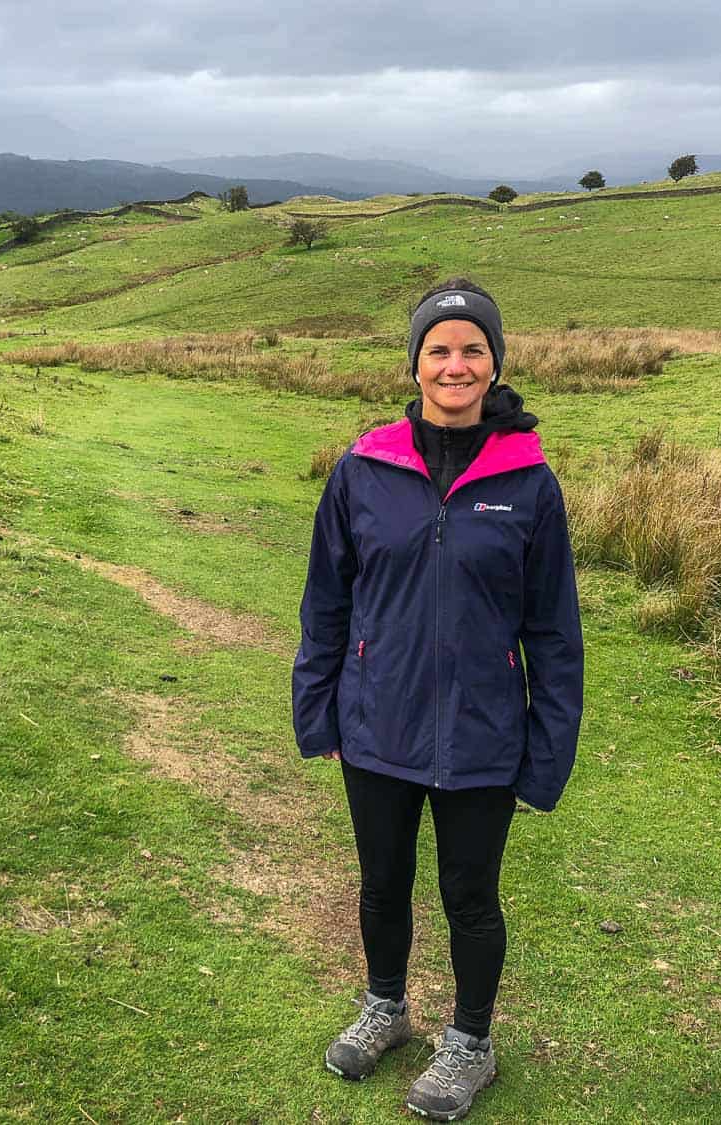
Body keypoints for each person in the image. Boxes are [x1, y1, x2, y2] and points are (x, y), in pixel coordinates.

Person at [292, 278, 585, 1121]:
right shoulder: (363, 469)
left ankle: (470, 1043)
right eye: (439, 350)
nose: (456, 365)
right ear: (415, 364)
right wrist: (318, 712)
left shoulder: (530, 483)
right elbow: (327, 602)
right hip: (376, 716)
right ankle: (385, 1005)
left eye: (473, 350)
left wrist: (547, 749)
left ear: (495, 364)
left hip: (483, 733)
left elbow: (554, 632)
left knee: (470, 893)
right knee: (382, 880)